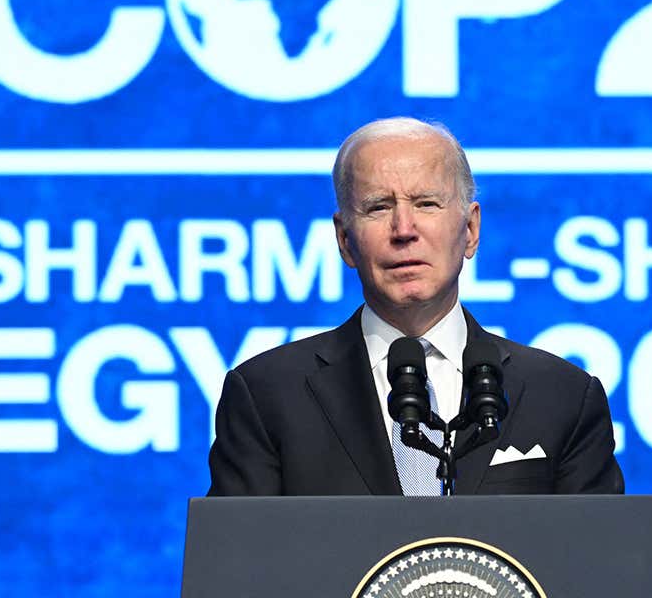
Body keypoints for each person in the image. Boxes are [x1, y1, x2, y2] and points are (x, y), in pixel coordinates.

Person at [207, 117, 623, 495]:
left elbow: (601, 567)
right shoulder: (268, 396)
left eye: (426, 203)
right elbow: (238, 570)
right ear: (345, 240)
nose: (403, 230)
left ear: (472, 229)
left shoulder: (563, 396)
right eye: (378, 207)